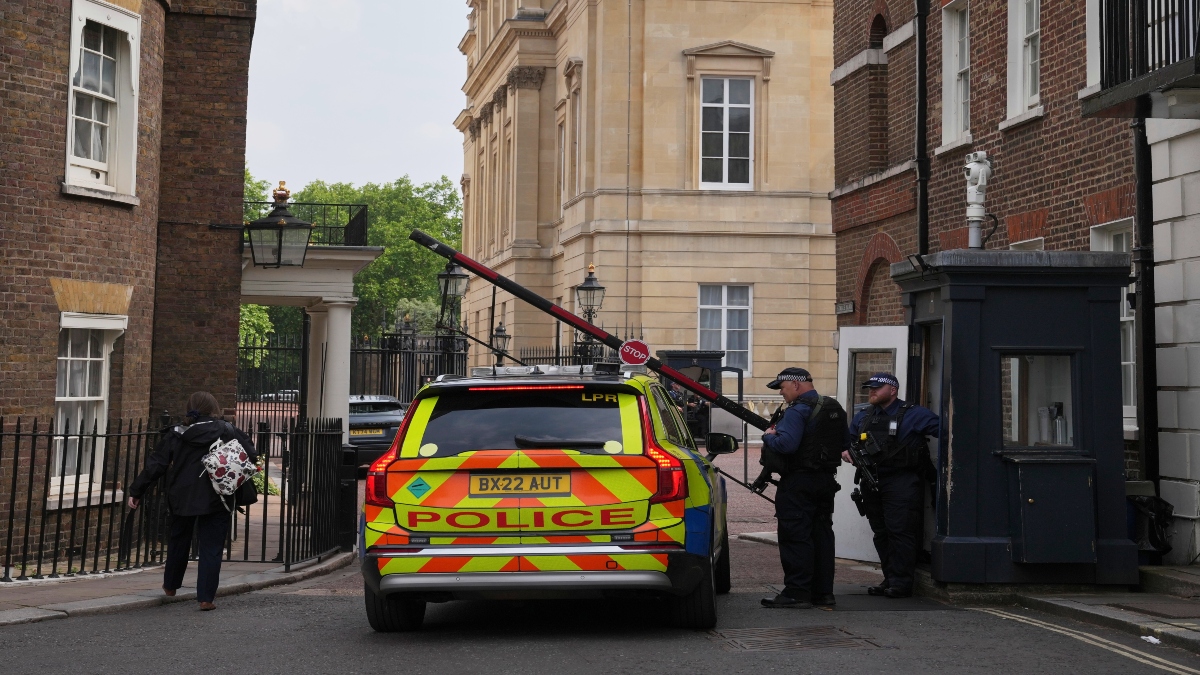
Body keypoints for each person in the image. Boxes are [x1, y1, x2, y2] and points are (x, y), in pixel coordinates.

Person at [127, 392, 256, 611]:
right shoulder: (227, 430)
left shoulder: (177, 433)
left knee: (178, 541)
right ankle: (206, 598)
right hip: (218, 495)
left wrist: (137, 491)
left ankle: (170, 586)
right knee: (211, 548)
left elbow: (156, 465)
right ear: (213, 407)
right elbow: (251, 455)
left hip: (182, 495)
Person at [842, 373, 939, 599]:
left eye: (877, 388)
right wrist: (846, 451)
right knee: (881, 532)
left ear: (893, 390)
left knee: (900, 531)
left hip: (901, 480)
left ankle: (902, 583)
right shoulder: (863, 416)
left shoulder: (914, 413)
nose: (871, 392)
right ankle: (889, 578)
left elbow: (948, 431)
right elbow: (848, 440)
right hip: (871, 480)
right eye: (869, 388)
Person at [758, 367, 848, 609]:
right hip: (825, 480)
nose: (781, 394)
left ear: (796, 385)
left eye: (783, 388)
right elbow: (844, 443)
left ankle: (797, 593)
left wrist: (768, 435)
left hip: (798, 481)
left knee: (795, 535)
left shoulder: (798, 410)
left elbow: (786, 445)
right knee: (822, 536)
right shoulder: (834, 408)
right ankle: (823, 593)